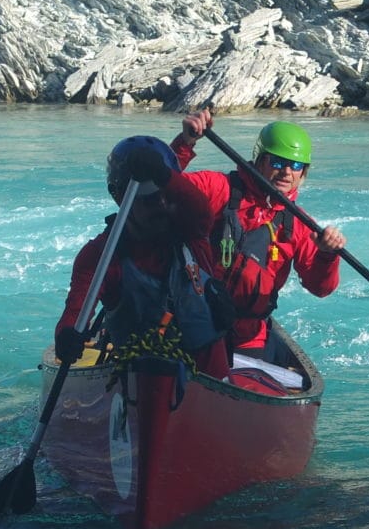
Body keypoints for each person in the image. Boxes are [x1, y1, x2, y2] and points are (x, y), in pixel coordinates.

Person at [169, 112, 346, 361]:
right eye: (277, 162)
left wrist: (327, 256)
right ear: (260, 159)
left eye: (295, 166)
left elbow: (320, 289)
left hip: (248, 335)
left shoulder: (300, 224)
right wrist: (184, 144)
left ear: (303, 172)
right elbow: (164, 188)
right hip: (193, 320)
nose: (286, 172)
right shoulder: (218, 188)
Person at [53, 136, 230, 379]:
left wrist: (165, 177)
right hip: (142, 379)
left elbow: (197, 205)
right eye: (149, 199)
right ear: (118, 196)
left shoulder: (193, 232)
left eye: (168, 196)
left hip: (209, 380)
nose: (162, 205)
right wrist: (66, 336)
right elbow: (75, 311)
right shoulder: (100, 256)